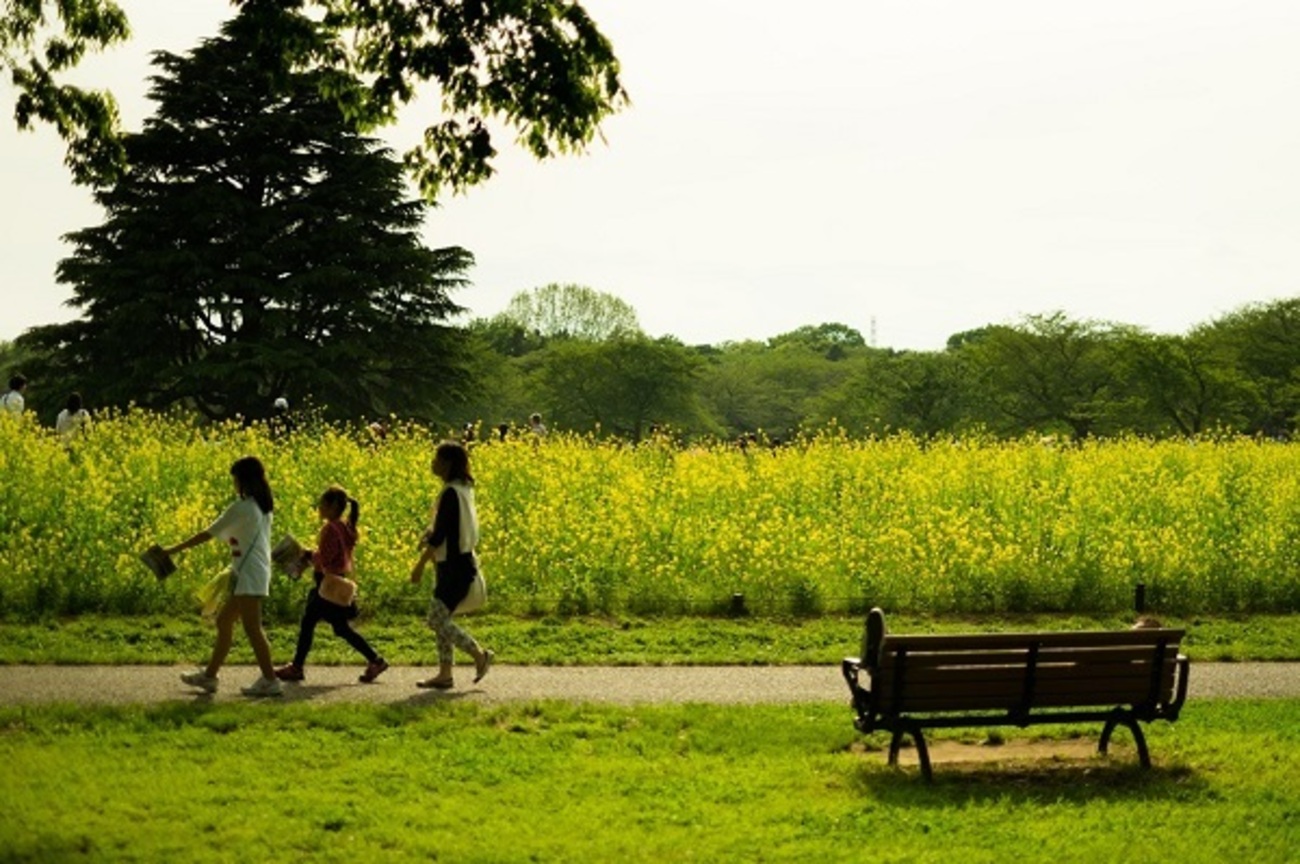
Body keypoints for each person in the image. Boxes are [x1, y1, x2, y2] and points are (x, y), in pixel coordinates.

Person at [164, 456, 282, 697]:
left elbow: (208, 533)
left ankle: (270, 680)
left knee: (253, 628)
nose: (234, 484)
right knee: (224, 621)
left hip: (249, 573)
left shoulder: (243, 507)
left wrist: (173, 550)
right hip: (254, 571)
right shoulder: (263, 508)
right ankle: (210, 677)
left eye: (235, 479)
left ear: (243, 480)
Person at [276, 485, 388, 684]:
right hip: (337, 582)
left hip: (327, 584)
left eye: (322, 504)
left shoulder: (330, 529)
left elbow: (325, 559)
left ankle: (297, 667)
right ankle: (375, 661)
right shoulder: (346, 527)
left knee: (309, 622)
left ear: (332, 506)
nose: (319, 508)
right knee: (340, 628)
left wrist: (306, 555)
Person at [409, 440, 494, 689]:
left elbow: (441, 535)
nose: (432, 463)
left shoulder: (451, 492)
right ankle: (445, 674)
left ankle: (479, 655)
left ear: (446, 464)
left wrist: (419, 565)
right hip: (457, 562)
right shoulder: (463, 488)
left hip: (455, 566)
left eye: (436, 459)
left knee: (436, 620)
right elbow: (450, 526)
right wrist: (429, 533)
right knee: (441, 618)